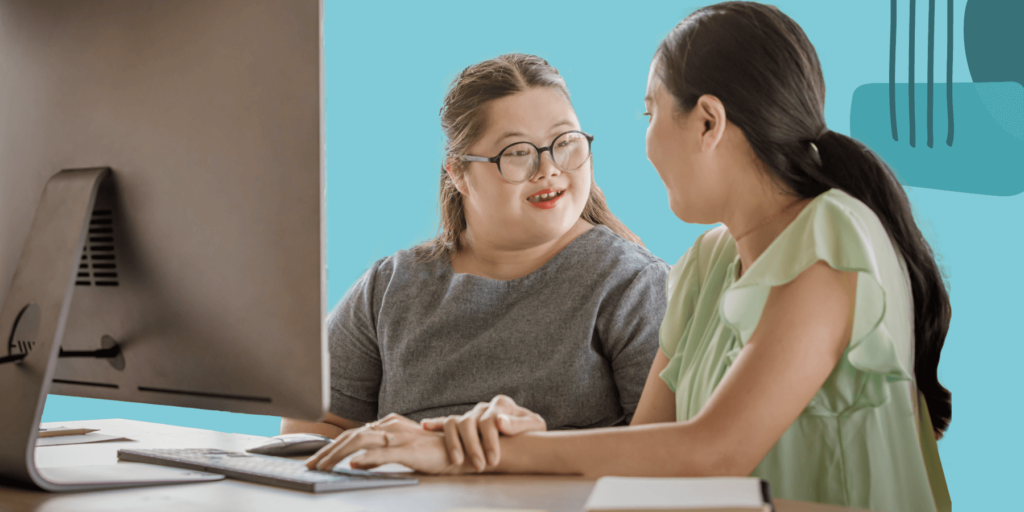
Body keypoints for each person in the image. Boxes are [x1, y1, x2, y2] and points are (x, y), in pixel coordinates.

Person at [305, 4, 953, 512]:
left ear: (707, 123)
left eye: (650, 113)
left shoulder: (832, 239)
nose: (643, 144)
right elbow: (649, 454)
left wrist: (462, 451)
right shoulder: (705, 264)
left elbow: (713, 452)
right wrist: (522, 439)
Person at [283, 53, 670, 472]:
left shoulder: (632, 283)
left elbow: (663, 453)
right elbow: (313, 425)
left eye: (565, 143)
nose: (549, 169)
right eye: (517, 152)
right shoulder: (392, 285)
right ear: (459, 173)